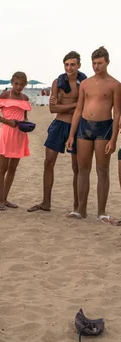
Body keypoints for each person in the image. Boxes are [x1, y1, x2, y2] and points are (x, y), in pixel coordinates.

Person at [66, 46, 121, 222]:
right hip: (84, 126)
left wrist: (113, 138)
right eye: (94, 63)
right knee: (83, 169)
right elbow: (78, 110)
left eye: (100, 63)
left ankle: (101, 211)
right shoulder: (85, 84)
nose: (96, 66)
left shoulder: (115, 84)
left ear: (107, 62)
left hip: (104, 127)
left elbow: (117, 113)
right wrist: (71, 135)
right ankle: (81, 210)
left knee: (102, 170)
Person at [28, 51, 84, 214]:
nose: (69, 67)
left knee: (77, 167)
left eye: (73, 64)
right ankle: (46, 202)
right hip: (59, 124)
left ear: (79, 65)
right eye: (66, 64)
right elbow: (53, 108)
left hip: (77, 125)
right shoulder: (57, 82)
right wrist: (75, 105)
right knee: (48, 162)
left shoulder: (84, 83)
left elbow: (84, 107)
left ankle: (76, 205)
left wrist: (67, 105)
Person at [0, 72, 31, 211]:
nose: (18, 87)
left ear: (25, 84)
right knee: (3, 167)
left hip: (20, 134)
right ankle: (0, 200)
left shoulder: (25, 98)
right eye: (16, 84)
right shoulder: (5, 95)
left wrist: (26, 124)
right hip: (7, 133)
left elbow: (24, 116)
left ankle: (5, 198)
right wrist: (7, 121)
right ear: (12, 83)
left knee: (13, 168)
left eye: (21, 84)